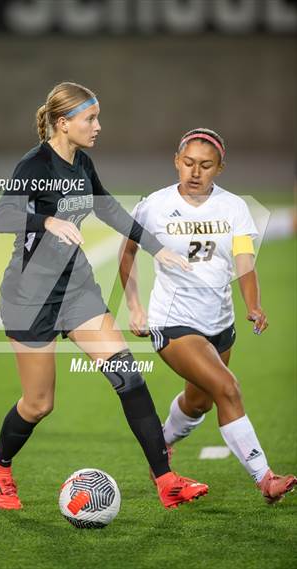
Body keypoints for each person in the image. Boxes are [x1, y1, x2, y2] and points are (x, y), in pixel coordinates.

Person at [0, 83, 208, 511]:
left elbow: (107, 208)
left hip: (77, 290)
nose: (98, 126)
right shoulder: (34, 165)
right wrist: (47, 222)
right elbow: (0, 216)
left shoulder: (82, 162)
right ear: (63, 123)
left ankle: (166, 480)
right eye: (91, 119)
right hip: (30, 298)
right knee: (39, 404)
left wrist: (157, 247)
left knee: (129, 377)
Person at [119, 128, 297, 504]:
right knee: (227, 388)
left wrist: (253, 305)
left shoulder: (234, 207)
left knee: (198, 403)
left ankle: (160, 446)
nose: (195, 172)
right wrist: (134, 306)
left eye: (205, 165)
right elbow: (128, 252)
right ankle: (265, 478)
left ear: (219, 168)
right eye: (188, 163)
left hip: (220, 324)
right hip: (173, 322)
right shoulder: (154, 205)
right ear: (176, 162)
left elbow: (244, 260)